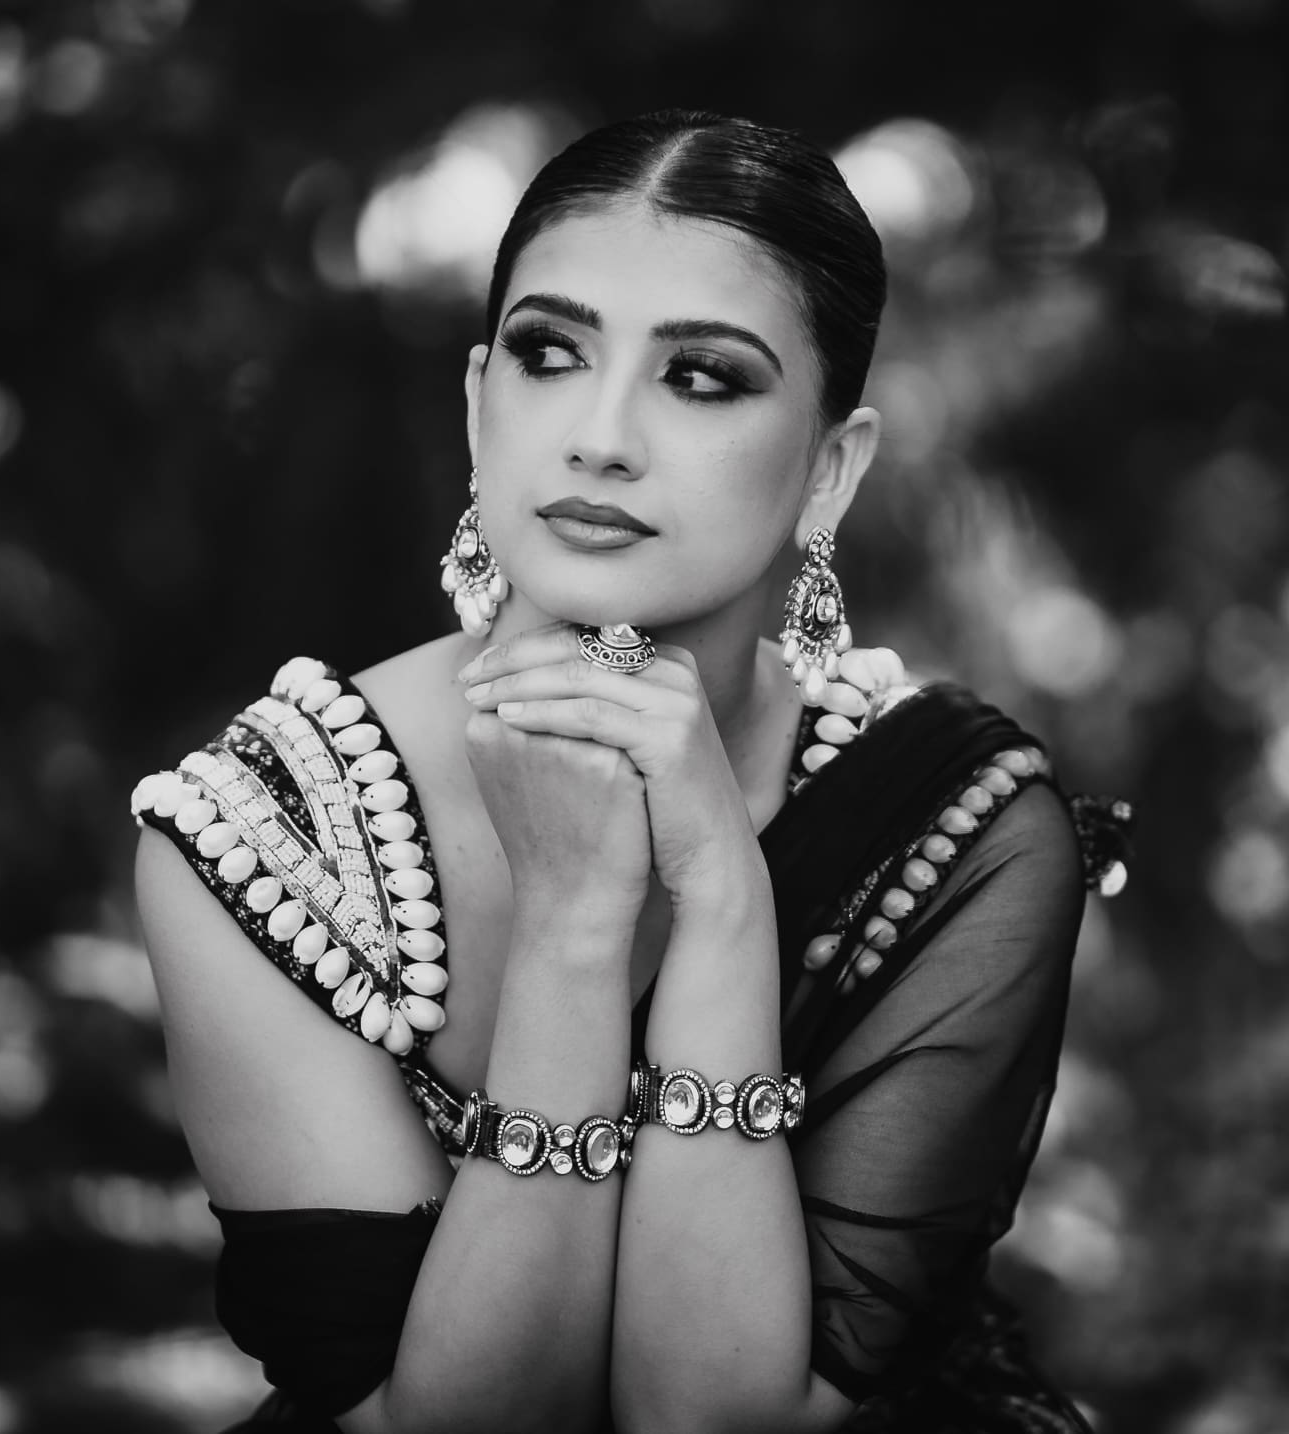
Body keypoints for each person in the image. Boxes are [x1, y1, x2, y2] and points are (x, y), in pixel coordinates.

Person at [130, 109, 1133, 1434]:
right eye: (550, 354)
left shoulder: (960, 824)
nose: (600, 435)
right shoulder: (255, 834)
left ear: (828, 472)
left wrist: (719, 890)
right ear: (480, 404)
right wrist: (571, 925)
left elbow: (711, 1417)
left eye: (701, 376)